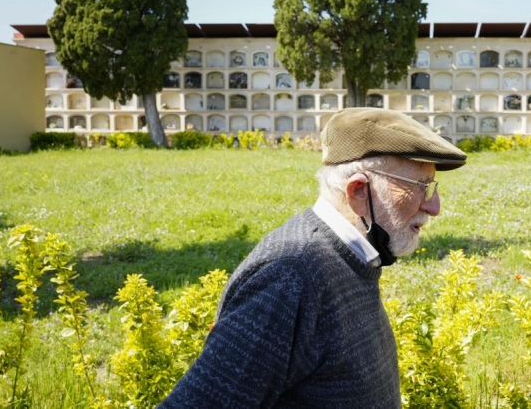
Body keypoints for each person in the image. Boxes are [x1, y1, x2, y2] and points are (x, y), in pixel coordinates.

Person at [158, 108, 467, 408]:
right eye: (421, 188)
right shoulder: (290, 277)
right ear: (358, 191)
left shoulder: (356, 255)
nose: (434, 207)